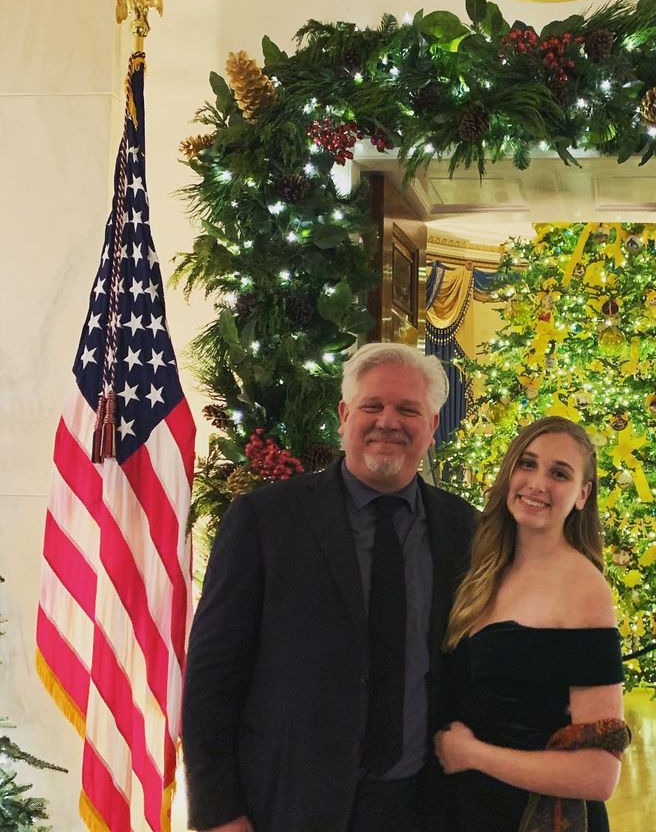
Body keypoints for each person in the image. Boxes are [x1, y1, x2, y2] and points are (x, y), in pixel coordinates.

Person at [181, 343, 477, 832]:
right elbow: (214, 676)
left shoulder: (466, 529)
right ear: (344, 416)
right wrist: (218, 812)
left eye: (408, 409)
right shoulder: (265, 520)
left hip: (424, 806)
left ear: (431, 425)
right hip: (289, 805)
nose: (389, 421)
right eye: (372, 406)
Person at [434, 417, 629, 832]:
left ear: (582, 495)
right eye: (527, 464)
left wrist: (471, 755)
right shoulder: (482, 567)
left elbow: (597, 775)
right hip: (469, 809)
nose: (538, 483)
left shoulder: (583, 589)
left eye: (559, 473)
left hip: (537, 817)